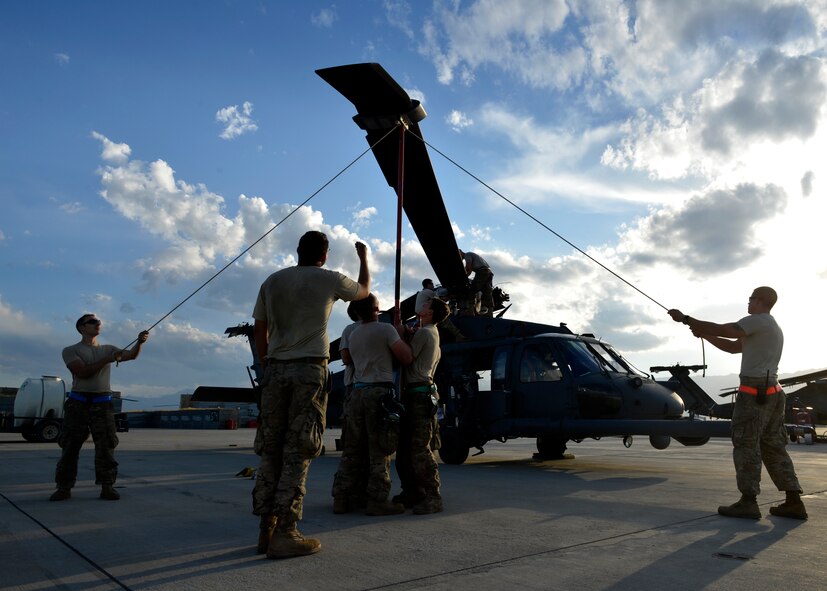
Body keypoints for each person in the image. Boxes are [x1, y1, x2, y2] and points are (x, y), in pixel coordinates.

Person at [252, 231, 370, 559]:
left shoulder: (272, 281)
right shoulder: (329, 279)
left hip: (275, 369)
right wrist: (363, 258)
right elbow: (363, 292)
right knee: (299, 449)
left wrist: (266, 361)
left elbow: (259, 328)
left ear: (298, 251)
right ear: (325, 255)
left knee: (271, 450)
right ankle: (286, 533)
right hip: (308, 370)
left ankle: (266, 530)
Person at [668, 286, 806, 520]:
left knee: (745, 443)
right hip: (772, 391)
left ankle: (748, 502)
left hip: (754, 394)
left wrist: (686, 319)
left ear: (760, 301)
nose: (748, 302)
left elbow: (727, 330)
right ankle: (793, 501)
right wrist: (704, 334)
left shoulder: (757, 320)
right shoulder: (769, 326)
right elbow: (733, 347)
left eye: (751, 299)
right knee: (773, 445)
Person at [51, 314, 149, 502]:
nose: (98, 323)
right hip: (78, 404)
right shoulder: (70, 350)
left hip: (102, 403)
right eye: (92, 322)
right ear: (81, 327)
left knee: (106, 446)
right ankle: (64, 488)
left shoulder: (108, 348)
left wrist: (139, 343)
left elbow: (130, 356)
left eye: (98, 321)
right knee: (70, 446)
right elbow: (82, 372)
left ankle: (107, 486)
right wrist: (107, 359)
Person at [332, 293, 413, 516]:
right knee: (379, 448)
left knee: (352, 449)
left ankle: (342, 498)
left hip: (357, 393)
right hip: (379, 393)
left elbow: (348, 359)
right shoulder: (386, 330)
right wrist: (401, 334)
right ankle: (377, 500)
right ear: (377, 309)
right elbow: (406, 358)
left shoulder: (354, 333)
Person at [394, 297, 451, 514]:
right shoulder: (430, 332)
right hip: (421, 393)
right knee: (407, 449)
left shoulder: (425, 333)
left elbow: (406, 358)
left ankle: (433, 496)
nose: (422, 305)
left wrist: (398, 335)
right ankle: (413, 492)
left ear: (430, 313)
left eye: (427, 305)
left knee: (419, 449)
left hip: (417, 394)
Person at [459, 249, 494, 317]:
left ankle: (471, 311)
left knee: (472, 290)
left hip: (482, 272)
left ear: (460, 252)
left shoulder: (467, 255)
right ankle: (490, 312)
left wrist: (462, 276)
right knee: (487, 292)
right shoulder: (472, 256)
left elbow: (468, 267)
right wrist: (465, 277)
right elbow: (470, 270)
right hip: (488, 272)